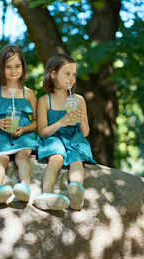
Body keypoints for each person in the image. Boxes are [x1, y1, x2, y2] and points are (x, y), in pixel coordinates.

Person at [33, 54, 95, 211]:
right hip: (53, 138)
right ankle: (46, 194)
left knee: (76, 160)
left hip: (73, 138)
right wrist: (61, 122)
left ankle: (75, 192)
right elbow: (42, 132)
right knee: (57, 157)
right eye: (67, 74)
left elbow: (85, 132)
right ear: (53, 74)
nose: (72, 78)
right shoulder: (44, 101)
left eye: (74, 74)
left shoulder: (79, 100)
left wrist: (80, 118)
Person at [0, 45, 38, 204]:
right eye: (8, 67)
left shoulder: (29, 94)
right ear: (1, 69)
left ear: (23, 67)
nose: (13, 71)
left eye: (17, 66)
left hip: (23, 136)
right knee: (2, 158)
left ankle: (24, 187)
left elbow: (37, 122)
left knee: (22, 156)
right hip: (0, 136)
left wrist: (24, 128)